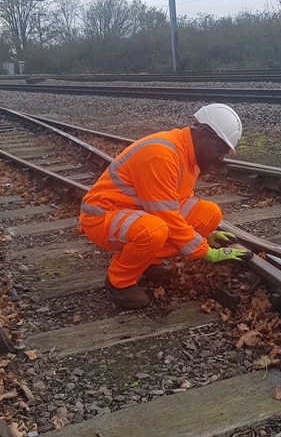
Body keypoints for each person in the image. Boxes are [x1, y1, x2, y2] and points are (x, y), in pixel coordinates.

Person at [79, 103, 252, 309]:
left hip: (139, 212)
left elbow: (176, 202)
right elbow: (167, 215)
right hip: (103, 216)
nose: (221, 157)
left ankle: (147, 261)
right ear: (203, 136)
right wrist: (205, 251)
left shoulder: (190, 156)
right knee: (154, 230)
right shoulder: (160, 154)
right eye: (221, 149)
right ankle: (119, 281)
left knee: (210, 214)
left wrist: (204, 235)